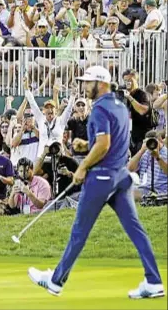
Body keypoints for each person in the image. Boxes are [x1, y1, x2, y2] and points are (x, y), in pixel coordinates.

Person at [27, 65, 164, 300]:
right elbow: (112, 143)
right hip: (120, 175)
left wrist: (82, 166)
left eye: (87, 82)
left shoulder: (100, 108)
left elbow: (104, 145)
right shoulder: (120, 105)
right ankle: (153, 282)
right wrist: (85, 147)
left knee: (79, 231)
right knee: (136, 229)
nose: (84, 86)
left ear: (100, 84)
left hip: (101, 177)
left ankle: (56, 281)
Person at [23, 77, 75, 157]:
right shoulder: (41, 119)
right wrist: (26, 88)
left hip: (58, 157)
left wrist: (73, 95)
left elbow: (68, 109)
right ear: (43, 111)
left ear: (56, 110)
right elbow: (32, 103)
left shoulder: (60, 121)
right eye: (47, 108)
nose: (49, 110)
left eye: (52, 107)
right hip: (42, 158)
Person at [122, 69, 155, 156]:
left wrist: (130, 98)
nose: (128, 83)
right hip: (130, 137)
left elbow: (142, 110)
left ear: (136, 81)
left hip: (143, 138)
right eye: (125, 80)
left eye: (130, 80)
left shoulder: (142, 94)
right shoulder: (123, 94)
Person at [128, 130, 168, 200]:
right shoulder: (145, 153)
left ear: (159, 140)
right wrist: (141, 151)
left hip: (161, 190)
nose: (151, 145)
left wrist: (158, 157)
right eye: (148, 142)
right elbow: (130, 168)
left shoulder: (166, 153)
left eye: (153, 141)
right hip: (145, 188)